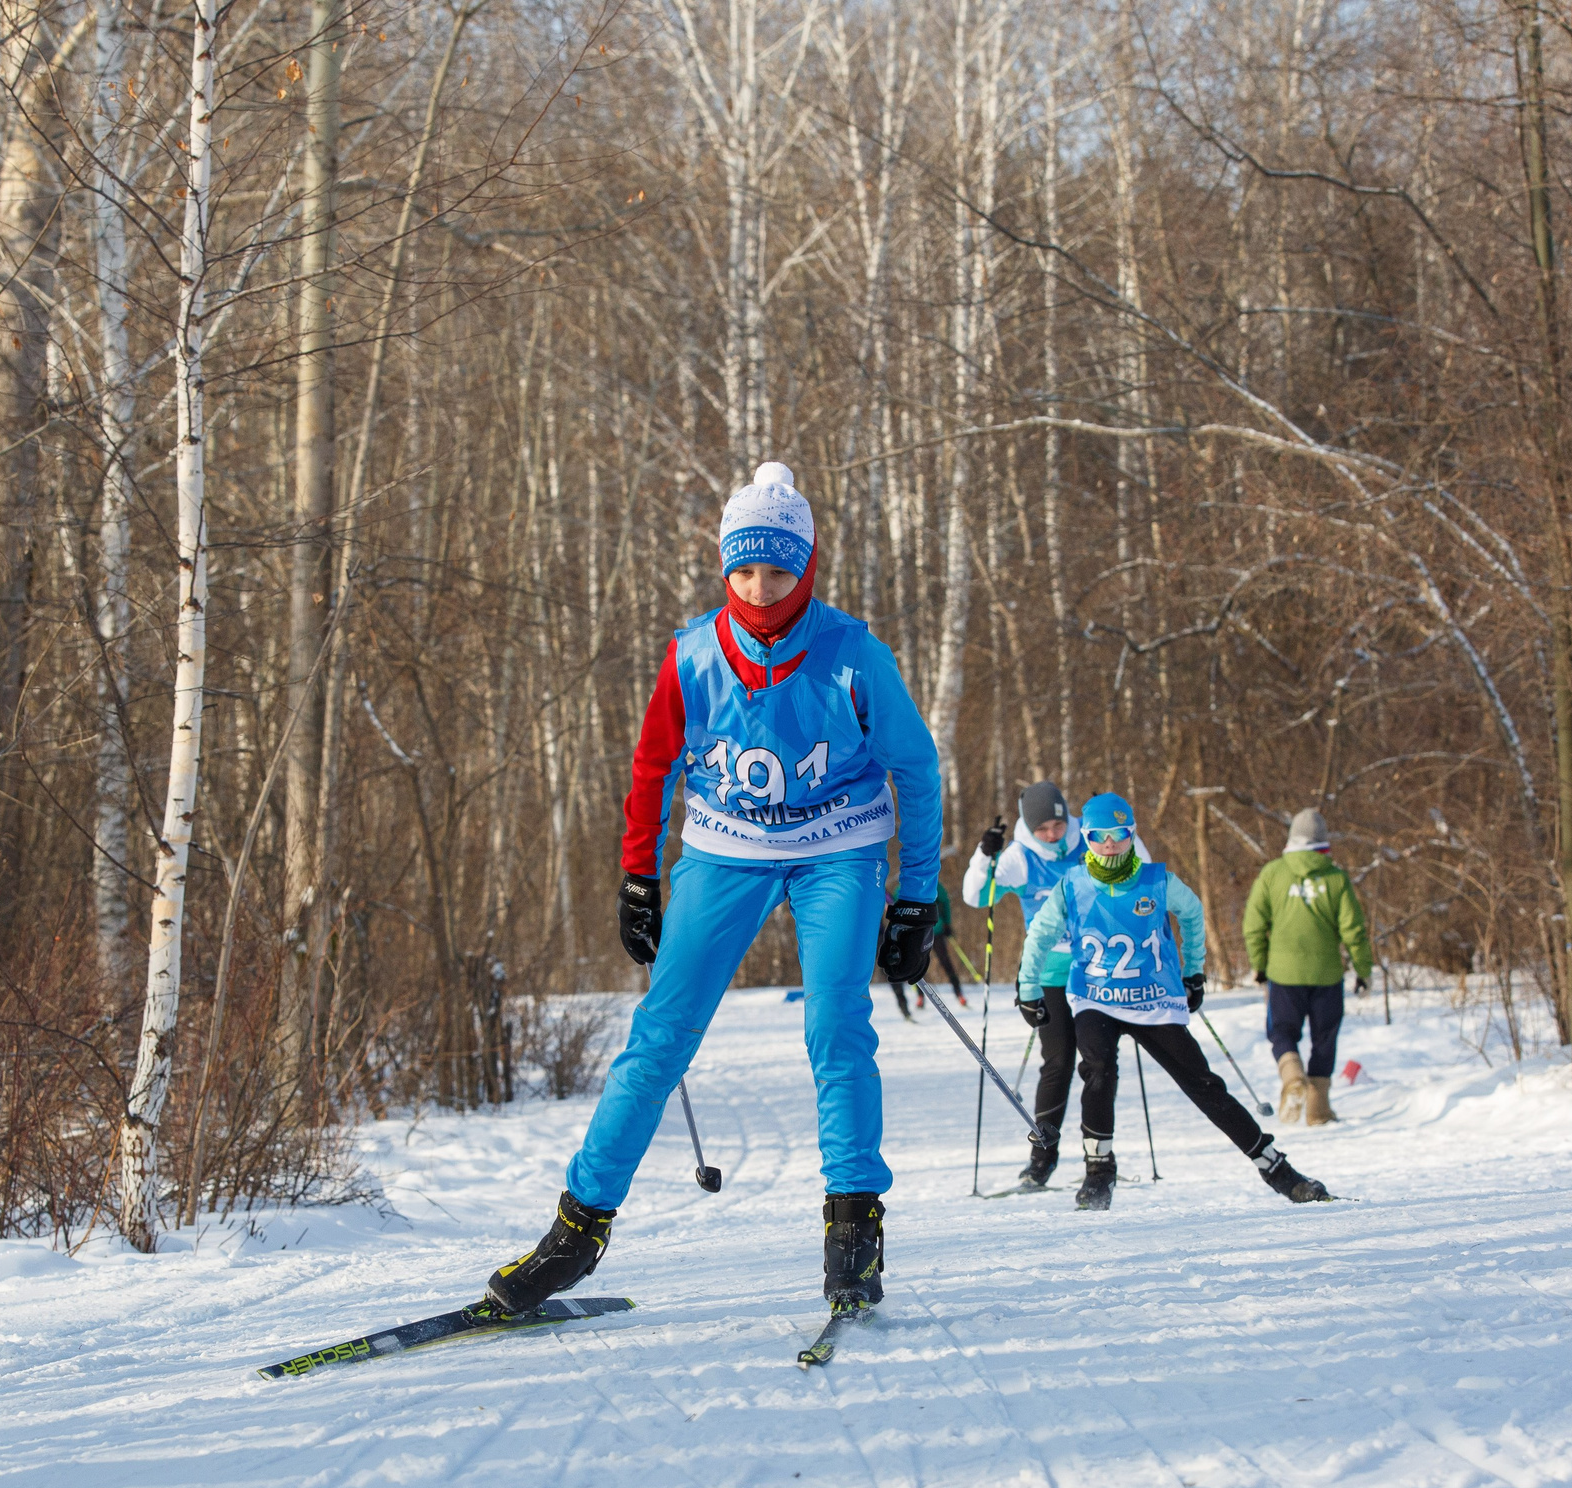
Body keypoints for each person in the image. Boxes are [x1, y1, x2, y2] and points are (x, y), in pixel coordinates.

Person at [483, 463, 943, 1316]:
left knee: (835, 1026)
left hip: (836, 846)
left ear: (804, 568)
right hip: (725, 846)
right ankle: (575, 1232)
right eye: (744, 570)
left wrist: (916, 894)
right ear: (724, 568)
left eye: (777, 570)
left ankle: (852, 1227)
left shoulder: (853, 653)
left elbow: (915, 768)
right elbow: (654, 762)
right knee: (658, 1036)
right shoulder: (693, 655)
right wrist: (636, 873)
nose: (760, 589)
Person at [1014, 792, 1332, 1210]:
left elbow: (1193, 913)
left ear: (1131, 835)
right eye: (1098, 836)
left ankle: (1276, 1168)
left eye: (1119, 834)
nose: (1109, 844)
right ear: (1086, 838)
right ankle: (1098, 1172)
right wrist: (1029, 989)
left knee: (1201, 1083)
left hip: (1153, 1000)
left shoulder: (1156, 881)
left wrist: (1193, 971)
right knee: (1098, 1071)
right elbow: (1039, 934)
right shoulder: (1071, 885)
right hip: (1096, 997)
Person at [960, 782, 1148, 1188]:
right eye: (1043, 827)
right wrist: (983, 854)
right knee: (1058, 1063)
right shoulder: (1022, 856)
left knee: (1099, 1063)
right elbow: (977, 895)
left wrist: (1116, 831)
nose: (1052, 834)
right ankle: (1042, 1158)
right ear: (1030, 827)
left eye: (1059, 824)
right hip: (1049, 974)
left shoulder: (1090, 838)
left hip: (1099, 968)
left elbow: (1142, 870)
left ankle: (1098, 1159)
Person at [1242, 807, 1373, 1126]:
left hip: (1283, 975)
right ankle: (1319, 1110)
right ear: (1323, 841)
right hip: (1326, 975)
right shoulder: (1336, 878)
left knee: (1282, 1032)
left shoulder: (1273, 873)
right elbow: (1353, 930)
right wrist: (1363, 969)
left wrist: (1259, 964)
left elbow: (1253, 925)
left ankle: (1292, 1077)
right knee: (1324, 1037)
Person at [887, 894, 964, 1020]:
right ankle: (920, 995)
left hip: (936, 930)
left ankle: (958, 992)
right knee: (915, 964)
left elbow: (945, 901)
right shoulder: (899, 890)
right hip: (915, 935)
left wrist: (947, 923)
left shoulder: (935, 883)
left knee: (945, 961)